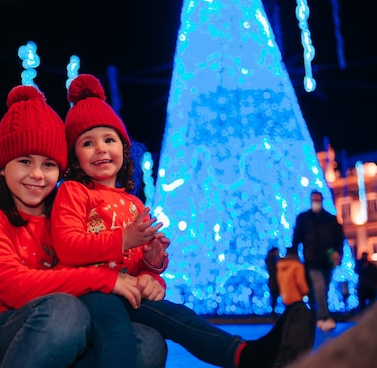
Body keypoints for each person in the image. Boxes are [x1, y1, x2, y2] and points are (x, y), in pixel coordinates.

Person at [51, 73, 316, 368]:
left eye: (109, 139)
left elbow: (136, 261)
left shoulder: (134, 203)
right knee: (119, 337)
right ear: (75, 156)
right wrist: (125, 239)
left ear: (123, 151)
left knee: (181, 318)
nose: (100, 148)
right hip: (92, 293)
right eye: (87, 143)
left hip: (128, 291)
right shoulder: (74, 192)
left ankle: (249, 356)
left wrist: (152, 266)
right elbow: (67, 247)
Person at [0, 84, 168, 368]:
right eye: (25, 161)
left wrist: (152, 274)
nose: (37, 175)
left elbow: (122, 264)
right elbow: (15, 287)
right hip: (1, 333)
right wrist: (103, 280)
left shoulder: (66, 214)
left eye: (49, 165)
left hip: (73, 331)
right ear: (1, 166)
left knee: (147, 342)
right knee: (64, 310)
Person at [292, 189, 344, 333]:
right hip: (312, 261)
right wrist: (294, 253)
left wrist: (338, 255)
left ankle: (316, 314)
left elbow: (339, 238)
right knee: (319, 286)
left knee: (323, 289)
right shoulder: (304, 218)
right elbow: (297, 237)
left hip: (327, 261)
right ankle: (323, 317)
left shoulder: (330, 219)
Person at [265, 247, 280, 318]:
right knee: (274, 298)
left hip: (276, 282)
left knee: (274, 298)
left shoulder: (272, 260)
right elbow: (273, 270)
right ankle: (273, 315)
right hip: (274, 283)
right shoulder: (271, 261)